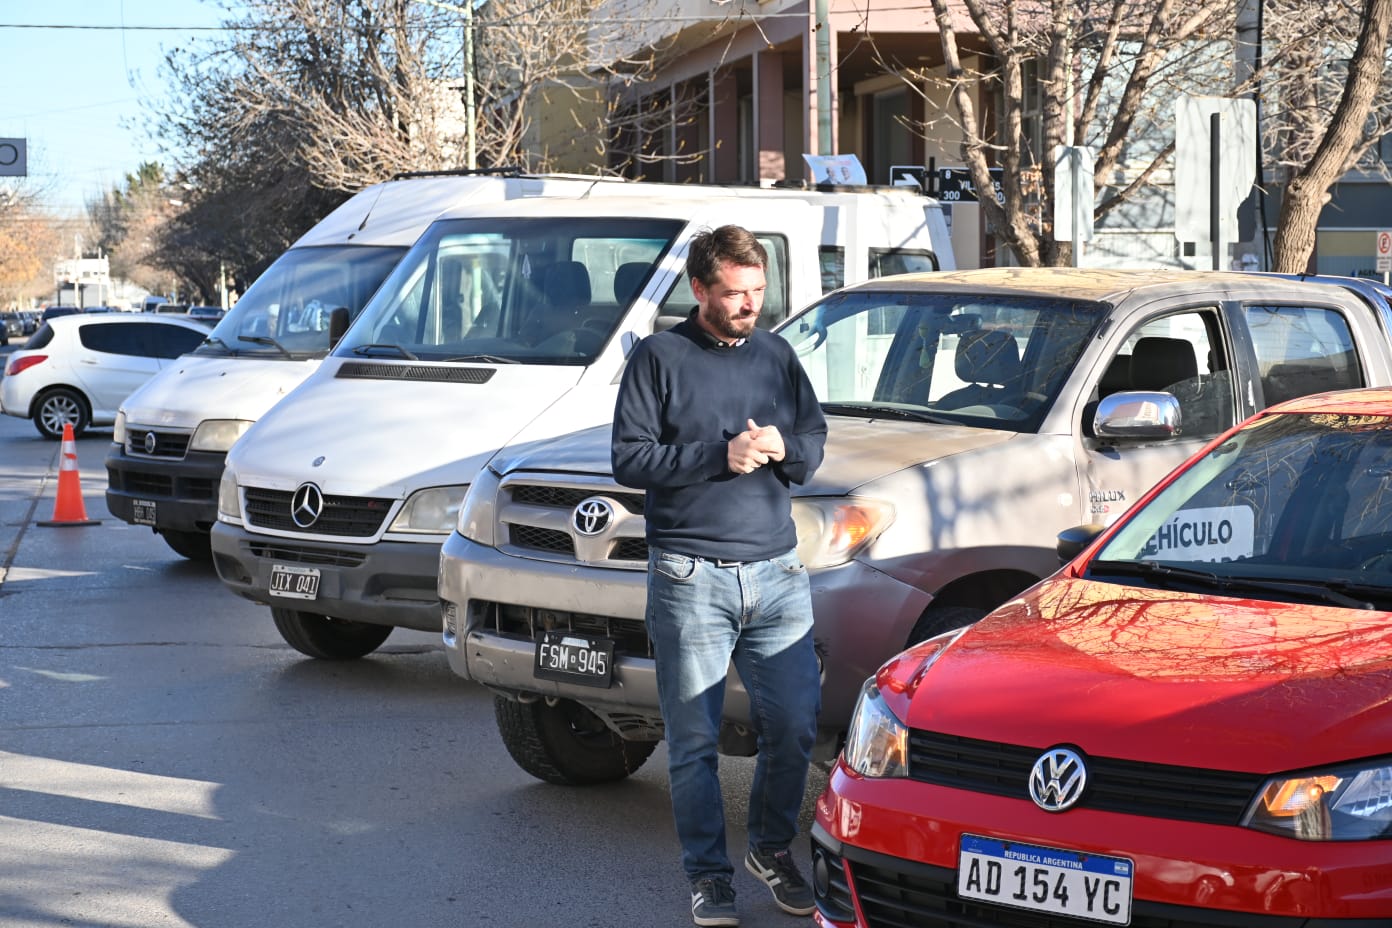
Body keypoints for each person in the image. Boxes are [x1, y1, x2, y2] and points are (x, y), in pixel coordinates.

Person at [611, 225, 827, 927]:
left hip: (778, 574)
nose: (749, 306)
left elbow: (815, 440)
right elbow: (630, 460)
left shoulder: (776, 354)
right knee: (696, 741)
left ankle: (769, 849)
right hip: (690, 577)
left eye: (758, 292)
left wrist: (784, 447)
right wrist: (718, 455)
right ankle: (709, 876)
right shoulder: (658, 358)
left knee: (794, 726)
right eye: (734, 294)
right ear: (700, 289)